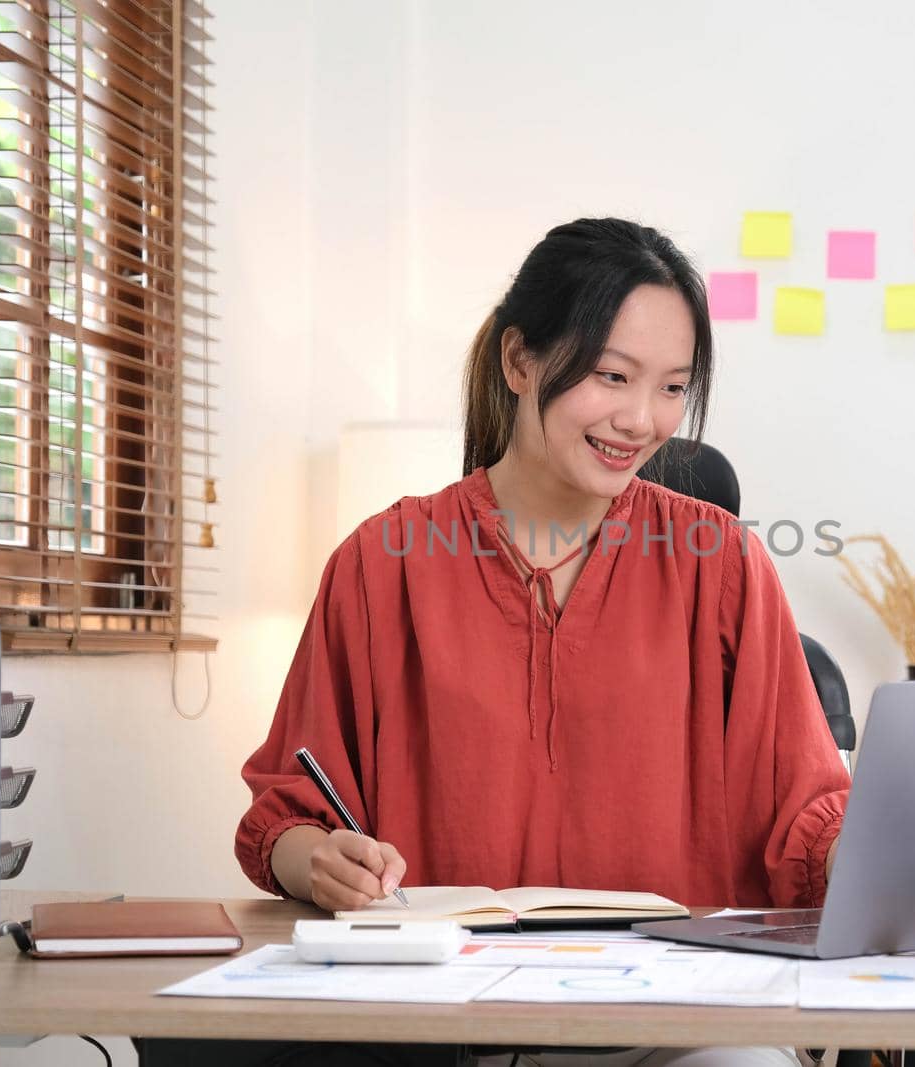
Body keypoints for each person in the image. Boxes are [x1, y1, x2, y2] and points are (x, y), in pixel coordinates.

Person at [235, 218, 851, 1067]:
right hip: (449, 1025)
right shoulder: (382, 564)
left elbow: (806, 817)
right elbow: (290, 815)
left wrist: (881, 845)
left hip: (679, 1020)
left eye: (672, 387)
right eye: (612, 376)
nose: (641, 419)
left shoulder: (728, 566)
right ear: (520, 361)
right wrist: (320, 862)